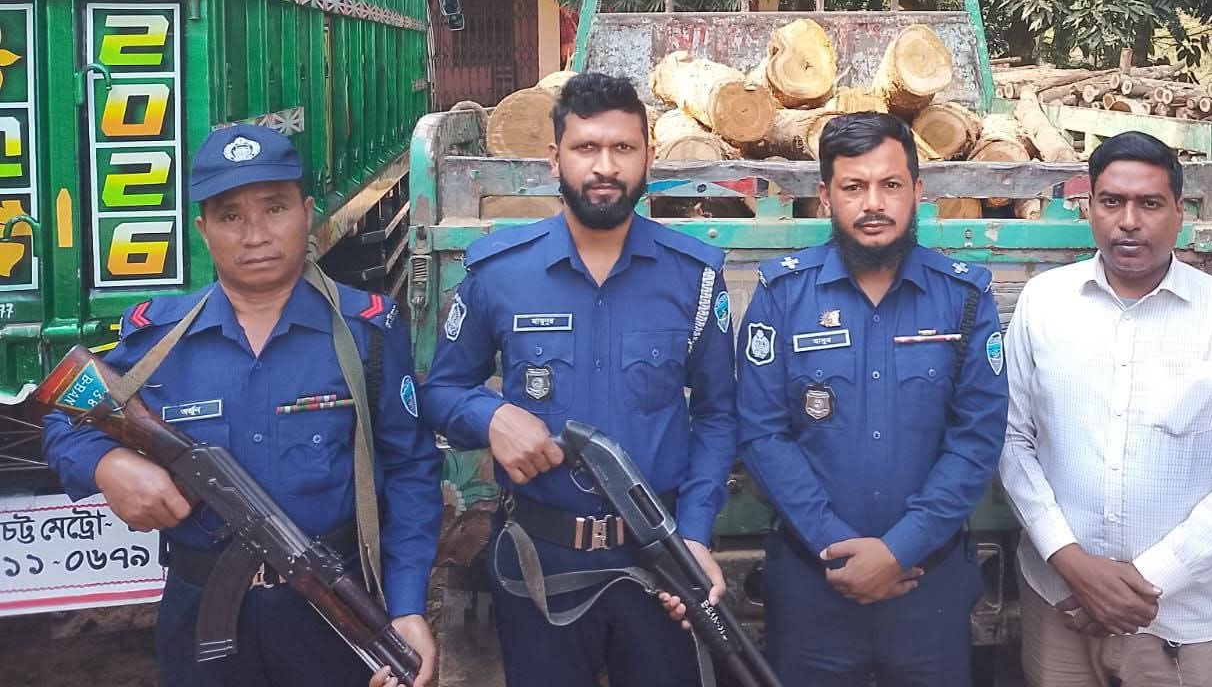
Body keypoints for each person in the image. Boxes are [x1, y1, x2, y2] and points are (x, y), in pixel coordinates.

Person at [42, 124, 441, 687]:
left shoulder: (366, 335)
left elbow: (410, 471)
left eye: (274, 208)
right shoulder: (157, 340)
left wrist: (407, 607)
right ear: (203, 230)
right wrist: (107, 464)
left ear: (307, 213)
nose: (255, 235)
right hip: (201, 610)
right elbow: (65, 417)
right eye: (230, 216)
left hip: (333, 609)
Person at [416, 72, 735, 687]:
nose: (605, 167)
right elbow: (440, 392)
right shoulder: (501, 272)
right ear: (554, 158)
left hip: (661, 564)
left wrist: (695, 535)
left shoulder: (693, 277)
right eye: (586, 148)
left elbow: (719, 413)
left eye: (623, 148)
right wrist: (490, 417)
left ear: (648, 158)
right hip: (540, 564)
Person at [998, 129, 1212, 687]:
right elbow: (1011, 439)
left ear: (1180, 213)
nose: (1128, 221)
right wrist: (1070, 561)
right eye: (1112, 202)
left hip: (1182, 619)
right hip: (1060, 603)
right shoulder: (1045, 303)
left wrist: (1142, 582)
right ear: (1090, 209)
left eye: (1149, 204)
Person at [737, 111, 1009, 687]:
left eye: (890, 185)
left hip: (928, 589)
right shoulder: (782, 295)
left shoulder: (963, 297)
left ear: (917, 191)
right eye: (853, 187)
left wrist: (899, 549)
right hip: (814, 587)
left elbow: (977, 438)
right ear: (825, 196)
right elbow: (762, 432)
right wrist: (834, 544)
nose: (874, 204)